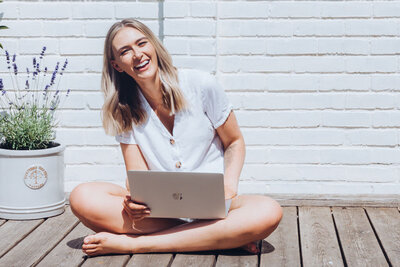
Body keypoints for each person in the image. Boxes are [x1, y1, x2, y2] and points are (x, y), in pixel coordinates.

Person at [69, 18, 283, 256]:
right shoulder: (124, 109)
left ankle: (136, 245)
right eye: (125, 51)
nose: (137, 54)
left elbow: (234, 142)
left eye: (142, 43)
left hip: (216, 206)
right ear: (117, 65)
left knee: (269, 211)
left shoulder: (200, 84)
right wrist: (134, 203)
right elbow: (137, 177)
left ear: (153, 46)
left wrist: (229, 186)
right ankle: (216, 236)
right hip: (162, 214)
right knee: (82, 197)